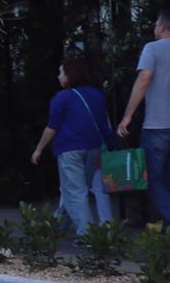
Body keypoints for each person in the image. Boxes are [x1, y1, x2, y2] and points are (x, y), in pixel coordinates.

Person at [117, 11, 170, 247]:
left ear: (163, 28)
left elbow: (144, 81)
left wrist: (127, 116)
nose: (154, 28)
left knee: (152, 178)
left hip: (157, 124)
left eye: (156, 24)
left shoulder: (152, 49)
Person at [30, 57, 113, 238]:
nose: (58, 76)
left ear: (70, 75)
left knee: (75, 191)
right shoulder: (97, 95)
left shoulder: (63, 97)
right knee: (79, 190)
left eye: (61, 72)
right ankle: (59, 226)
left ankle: (87, 234)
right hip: (94, 148)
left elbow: (52, 127)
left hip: (70, 149)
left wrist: (39, 149)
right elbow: (104, 125)